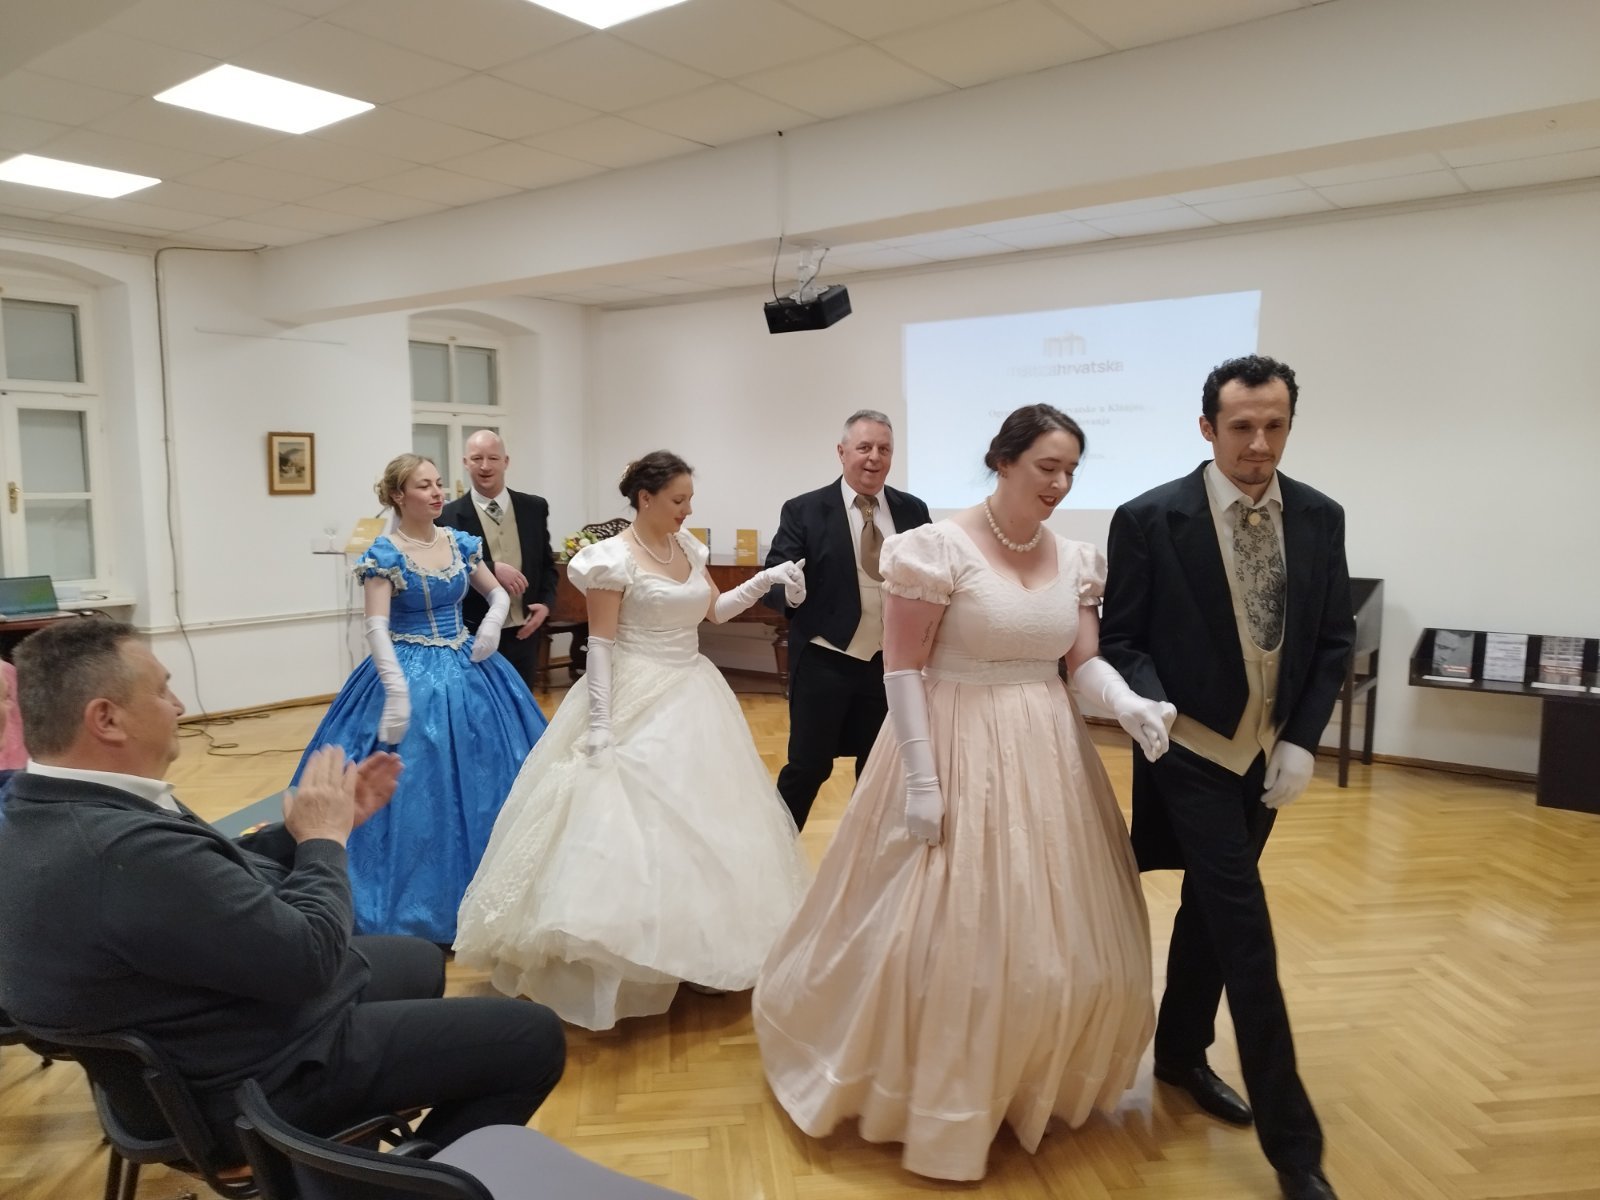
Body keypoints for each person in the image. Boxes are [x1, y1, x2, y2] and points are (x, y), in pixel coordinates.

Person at [753, 405, 1174, 1182]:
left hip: (1048, 753)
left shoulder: (1076, 559)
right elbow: (903, 668)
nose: (1060, 483)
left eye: (1071, 469)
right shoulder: (935, 549)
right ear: (1004, 461)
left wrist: (1127, 703)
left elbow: (1081, 662)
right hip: (949, 739)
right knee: (936, 931)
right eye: (1047, 466)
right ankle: (932, 1087)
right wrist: (922, 780)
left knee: (1051, 934)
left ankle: (1028, 1077)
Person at [0, 619, 565, 1155]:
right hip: (244, 1085)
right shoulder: (124, 848)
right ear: (106, 719)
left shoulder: (45, 809)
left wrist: (298, 834)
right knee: (533, 1037)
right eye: (162, 691)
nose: (178, 706)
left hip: (188, 1039)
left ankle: (360, 1148)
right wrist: (324, 841)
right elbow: (309, 958)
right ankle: (389, 1181)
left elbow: (202, 877)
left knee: (415, 960)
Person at [1099, 355, 1354, 1200]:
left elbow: (1332, 639)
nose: (1259, 443)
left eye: (1275, 425)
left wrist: (1302, 739)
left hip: (1268, 756)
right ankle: (1296, 1151)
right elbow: (1123, 638)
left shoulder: (1319, 516)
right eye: (1242, 426)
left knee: (1213, 907)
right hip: (1192, 751)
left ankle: (1179, 1054)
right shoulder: (1149, 519)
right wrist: (1153, 705)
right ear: (1208, 428)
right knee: (1247, 930)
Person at [456, 451, 811, 1030]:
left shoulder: (687, 546)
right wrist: (599, 725)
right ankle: (626, 958)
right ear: (645, 499)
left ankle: (701, 949)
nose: (687, 510)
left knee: (706, 827)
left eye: (689, 500)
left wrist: (766, 580)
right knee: (627, 828)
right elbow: (600, 646)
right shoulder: (610, 559)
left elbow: (715, 612)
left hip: (694, 690)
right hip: (633, 691)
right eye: (678, 500)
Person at [293, 454, 547, 943]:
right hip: (406, 667)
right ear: (398, 495)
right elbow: (376, 627)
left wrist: (492, 624)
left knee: (494, 773)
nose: (436, 493)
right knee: (416, 788)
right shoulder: (385, 553)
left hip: (470, 666)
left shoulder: (458, 542)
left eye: (438, 484)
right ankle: (414, 905)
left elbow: (497, 594)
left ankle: (503, 895)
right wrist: (394, 689)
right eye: (424, 486)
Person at [766, 410, 931, 829]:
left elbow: (934, 573)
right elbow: (774, 578)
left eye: (884, 449)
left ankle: (865, 856)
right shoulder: (804, 510)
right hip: (825, 660)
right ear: (842, 453)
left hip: (890, 666)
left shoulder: (913, 510)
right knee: (808, 767)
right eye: (864, 447)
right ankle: (774, 850)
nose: (874, 457)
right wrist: (791, 592)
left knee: (879, 771)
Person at [437, 430, 560, 696]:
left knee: (523, 706)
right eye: (476, 458)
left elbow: (546, 565)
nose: (485, 466)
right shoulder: (447, 516)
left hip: (525, 634)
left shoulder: (534, 507)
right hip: (474, 633)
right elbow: (445, 574)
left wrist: (546, 605)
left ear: (506, 461)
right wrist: (492, 569)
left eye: (493, 458)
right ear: (465, 462)